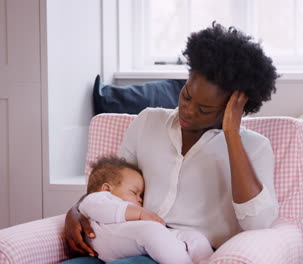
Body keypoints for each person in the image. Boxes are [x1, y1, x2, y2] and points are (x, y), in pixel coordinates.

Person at [62, 22, 280, 264]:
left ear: (235, 107)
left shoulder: (254, 148)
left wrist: (231, 134)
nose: (187, 110)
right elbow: (112, 183)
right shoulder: (147, 122)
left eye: (204, 109)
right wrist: (76, 210)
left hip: (184, 253)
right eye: (186, 95)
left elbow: (257, 223)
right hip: (126, 242)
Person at [77, 156, 213, 264]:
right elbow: (105, 210)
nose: (140, 200)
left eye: (141, 195)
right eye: (134, 192)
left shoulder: (131, 218)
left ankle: (206, 260)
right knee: (152, 230)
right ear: (106, 189)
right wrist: (141, 213)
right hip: (116, 240)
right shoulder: (93, 200)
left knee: (195, 238)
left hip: (135, 239)